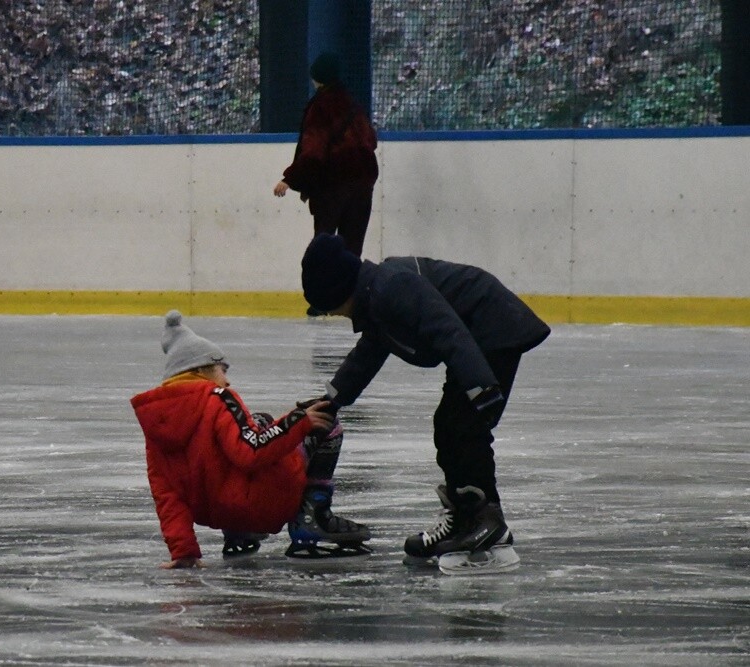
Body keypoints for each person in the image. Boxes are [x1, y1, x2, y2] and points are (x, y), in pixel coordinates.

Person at [299, 233, 551, 574]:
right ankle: (466, 518)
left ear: (338, 292)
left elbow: (447, 330)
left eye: (328, 307)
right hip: (475, 342)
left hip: (492, 330)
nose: (332, 314)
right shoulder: (375, 295)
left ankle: (486, 523)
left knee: (461, 426)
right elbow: (368, 354)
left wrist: (480, 386)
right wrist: (332, 399)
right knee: (449, 426)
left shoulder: (392, 287)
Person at [130, 310, 371, 568]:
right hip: (261, 503)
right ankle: (311, 518)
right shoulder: (217, 396)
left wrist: (183, 551)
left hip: (222, 515)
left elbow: (167, 494)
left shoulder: (156, 425)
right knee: (327, 424)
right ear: (202, 369)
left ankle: (240, 533)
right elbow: (251, 450)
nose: (227, 379)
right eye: (222, 370)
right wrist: (299, 420)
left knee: (259, 420)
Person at [273, 52, 379, 262]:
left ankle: (326, 292)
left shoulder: (320, 107)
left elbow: (313, 151)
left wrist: (289, 179)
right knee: (352, 250)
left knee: (324, 248)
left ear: (317, 78)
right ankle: (350, 292)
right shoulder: (353, 105)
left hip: (332, 187)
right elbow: (370, 141)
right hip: (363, 185)